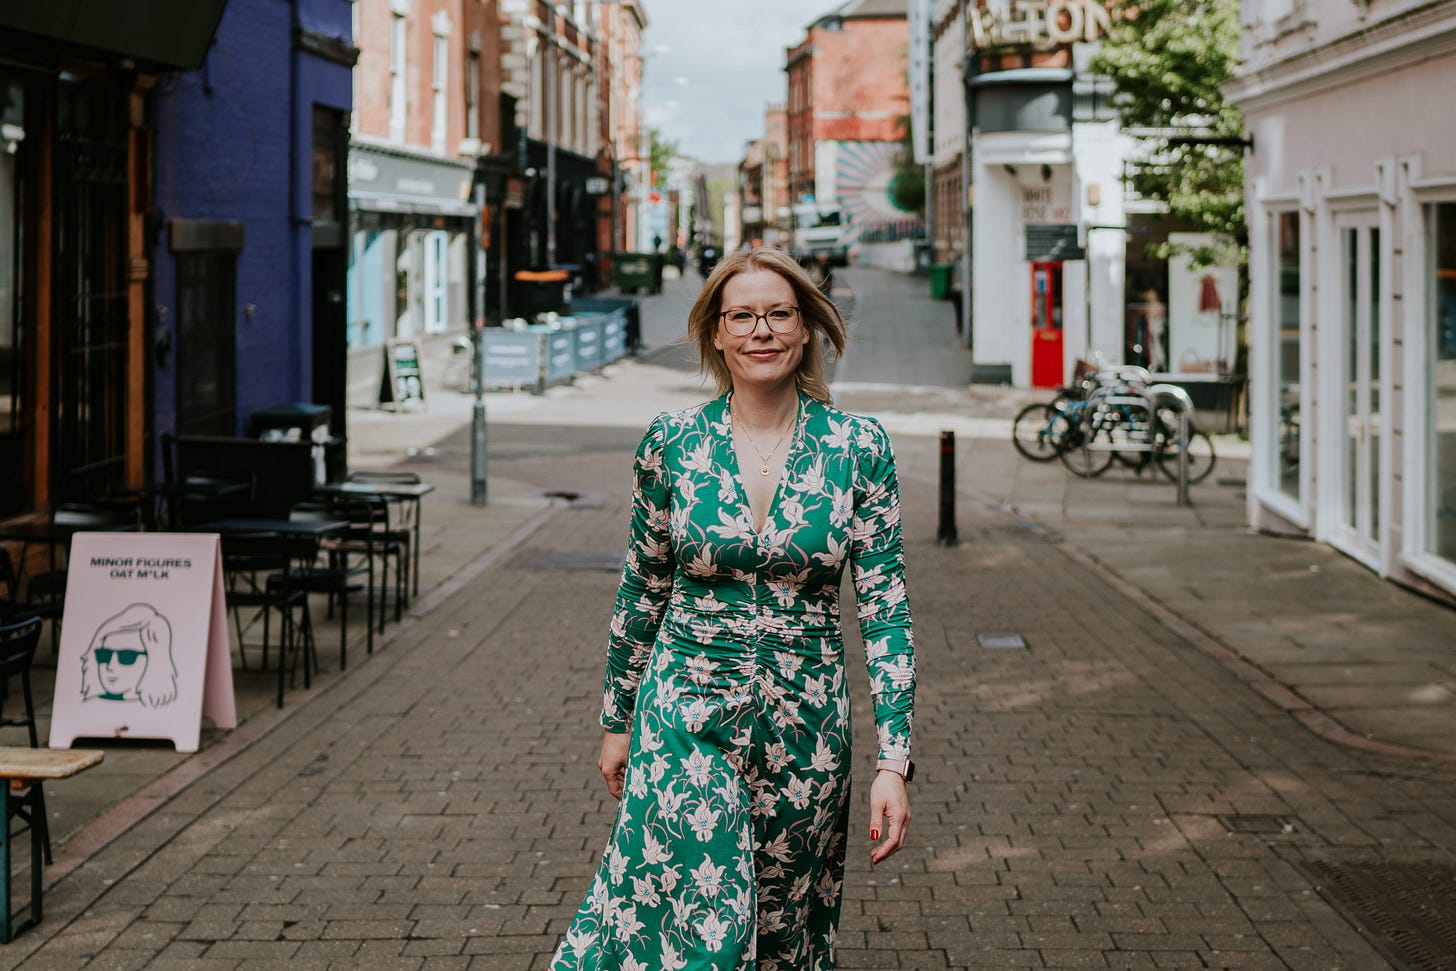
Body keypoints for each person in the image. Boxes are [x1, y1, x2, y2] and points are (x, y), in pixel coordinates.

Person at [551, 247, 916, 970]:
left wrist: (894, 760)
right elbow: (642, 585)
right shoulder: (674, 443)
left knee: (784, 930)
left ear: (806, 327)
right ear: (716, 333)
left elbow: (886, 608)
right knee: (708, 916)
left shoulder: (857, 447)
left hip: (808, 728)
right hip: (685, 710)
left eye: (780, 313)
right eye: (742, 315)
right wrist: (617, 720)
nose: (762, 330)